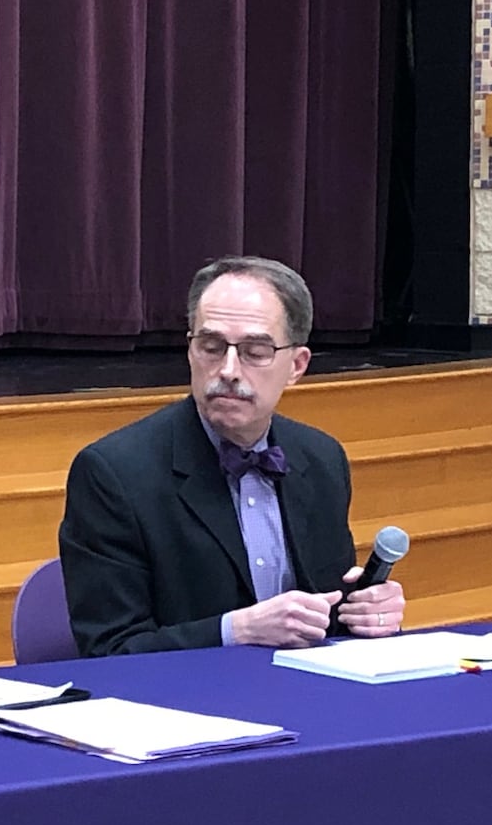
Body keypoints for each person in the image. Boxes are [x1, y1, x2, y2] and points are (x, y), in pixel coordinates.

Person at [58, 255, 405, 657]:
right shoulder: (114, 473)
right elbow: (109, 650)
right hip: (183, 707)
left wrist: (366, 613)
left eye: (255, 351)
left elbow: (323, 616)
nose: (228, 369)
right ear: (190, 350)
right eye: (211, 346)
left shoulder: (321, 458)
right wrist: (236, 630)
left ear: (297, 365)